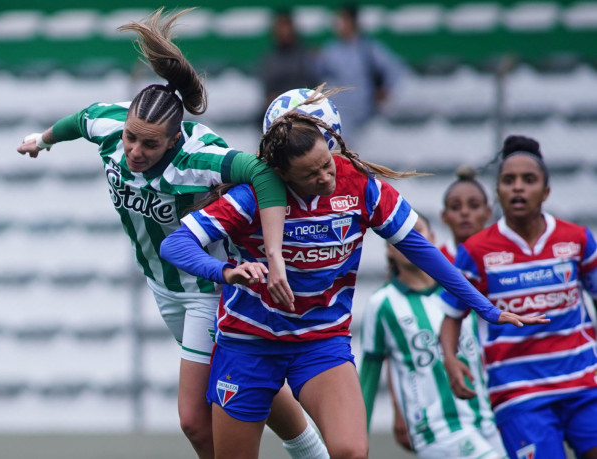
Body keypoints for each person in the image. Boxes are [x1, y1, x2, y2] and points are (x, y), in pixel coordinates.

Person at [16, 8, 327, 459]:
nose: (134, 150)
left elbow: (264, 175)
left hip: (208, 289)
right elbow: (81, 120)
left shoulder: (200, 158)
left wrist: (275, 255)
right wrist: (43, 140)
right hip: (163, 287)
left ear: (175, 140)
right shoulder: (112, 126)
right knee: (244, 379)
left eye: (150, 144)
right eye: (131, 137)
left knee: (193, 420)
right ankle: (313, 452)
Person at [159, 105, 546, 459]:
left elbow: (423, 251)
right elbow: (175, 244)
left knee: (350, 451)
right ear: (282, 174)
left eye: (327, 163)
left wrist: (486, 307)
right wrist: (225, 272)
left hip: (320, 341)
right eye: (311, 174)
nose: (326, 176)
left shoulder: (358, 185)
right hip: (248, 343)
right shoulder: (250, 198)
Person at [440, 135, 597, 459]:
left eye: (529, 179)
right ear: (498, 191)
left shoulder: (577, 239)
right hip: (518, 394)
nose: (518, 188)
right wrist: (450, 360)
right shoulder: (475, 252)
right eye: (508, 180)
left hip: (584, 382)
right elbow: (452, 315)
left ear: (546, 191)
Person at [360, 213, 505, 459]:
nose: (406, 239)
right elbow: (369, 378)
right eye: (398, 234)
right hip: (437, 430)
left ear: (433, 239)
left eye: (416, 231)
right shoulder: (382, 303)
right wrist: (358, 442)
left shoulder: (460, 290)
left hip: (486, 419)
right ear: (389, 249)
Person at [313, 3, 406, 144]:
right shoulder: (330, 51)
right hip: (340, 114)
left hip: (366, 113)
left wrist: (385, 89)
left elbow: (394, 69)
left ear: (352, 22)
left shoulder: (368, 48)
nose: (338, 25)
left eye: (342, 20)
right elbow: (316, 74)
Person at [258, 9, 316, 117]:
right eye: (281, 26)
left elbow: (315, 87)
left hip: (305, 111)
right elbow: (267, 94)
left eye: (286, 26)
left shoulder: (306, 55)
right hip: (278, 113)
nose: (284, 31)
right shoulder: (269, 59)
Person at [440, 166, 493, 263]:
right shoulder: (436, 260)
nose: (464, 212)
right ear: (444, 216)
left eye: (474, 206)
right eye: (455, 207)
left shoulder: (504, 255)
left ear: (488, 212)